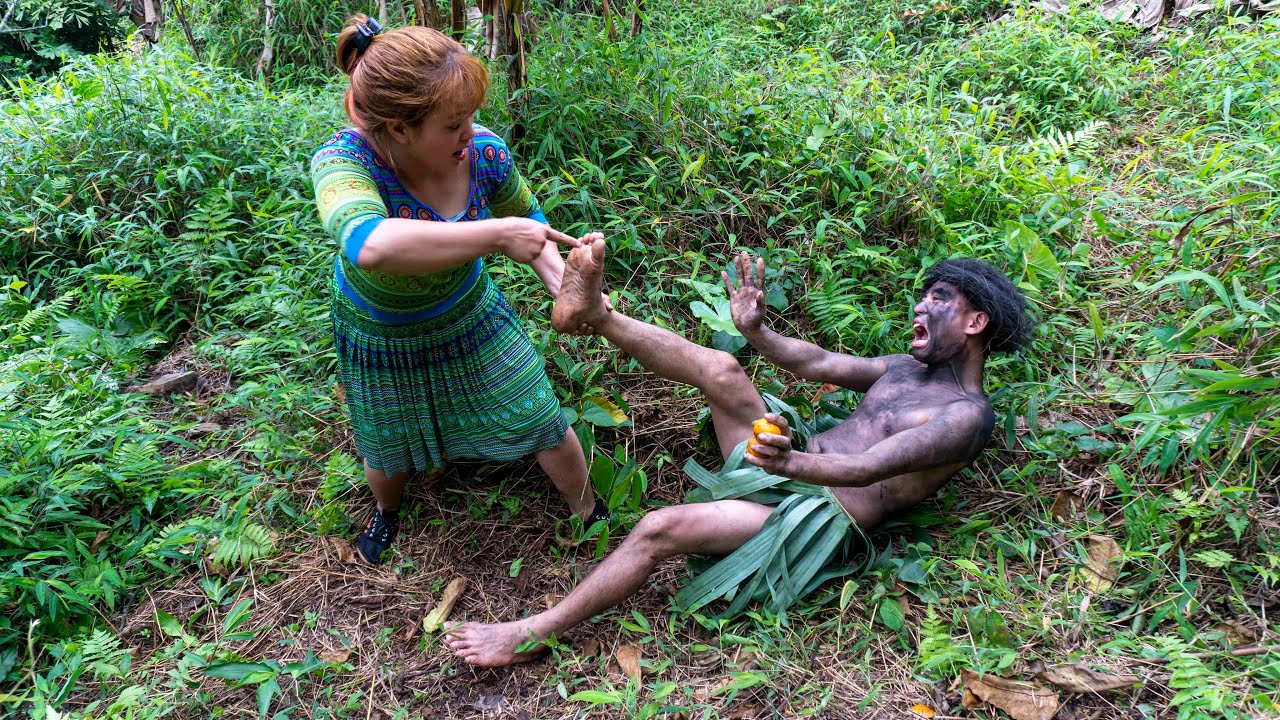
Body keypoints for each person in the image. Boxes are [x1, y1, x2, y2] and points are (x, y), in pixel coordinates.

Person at [446, 240, 1033, 666]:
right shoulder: (906, 368)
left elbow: (872, 466)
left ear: (976, 321)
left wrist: (791, 464)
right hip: (786, 462)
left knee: (659, 528)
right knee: (722, 367)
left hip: (815, 513)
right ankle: (595, 315)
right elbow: (817, 363)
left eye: (940, 299)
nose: (921, 307)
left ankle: (532, 633)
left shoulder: (967, 415)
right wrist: (755, 331)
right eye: (924, 296)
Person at [310, 15, 609, 565]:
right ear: (401, 128)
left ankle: (588, 509)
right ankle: (388, 510)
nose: (470, 133)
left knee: (537, 411)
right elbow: (370, 243)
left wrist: (566, 283)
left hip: (469, 311)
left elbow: (529, 223)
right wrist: (494, 236)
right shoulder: (343, 163)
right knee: (383, 438)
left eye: (471, 116)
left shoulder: (486, 154)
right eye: (453, 124)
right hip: (380, 329)